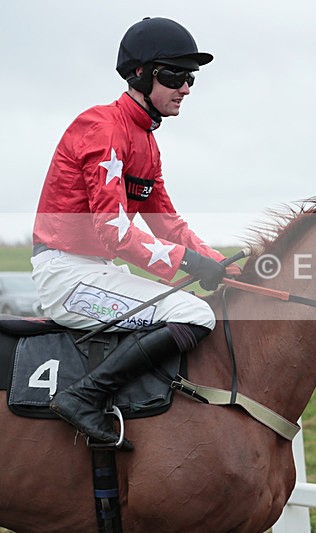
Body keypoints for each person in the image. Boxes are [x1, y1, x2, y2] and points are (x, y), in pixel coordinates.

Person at [30, 17, 231, 449]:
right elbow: (114, 233)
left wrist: (220, 264)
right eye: (175, 75)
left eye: (190, 77)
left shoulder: (147, 142)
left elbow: (167, 223)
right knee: (195, 315)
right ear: (140, 75)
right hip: (67, 277)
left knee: (195, 305)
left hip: (96, 272)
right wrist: (186, 263)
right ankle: (83, 398)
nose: (186, 87)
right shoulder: (101, 128)